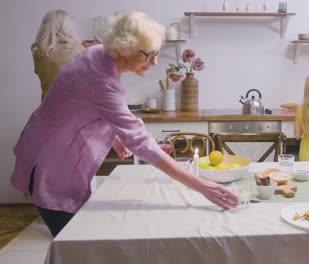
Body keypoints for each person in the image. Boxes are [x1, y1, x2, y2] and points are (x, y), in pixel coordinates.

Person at [11, 11, 238, 237]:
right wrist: (201, 186)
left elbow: (83, 105)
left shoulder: (97, 53)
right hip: (51, 166)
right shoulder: (100, 78)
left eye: (157, 53)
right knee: (75, 245)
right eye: (149, 54)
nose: (155, 61)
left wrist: (116, 135)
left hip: (44, 148)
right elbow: (140, 141)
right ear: (124, 48)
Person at [31, 10, 85, 101]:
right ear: (67, 27)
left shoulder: (38, 52)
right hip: (73, 107)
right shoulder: (77, 49)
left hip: (47, 106)